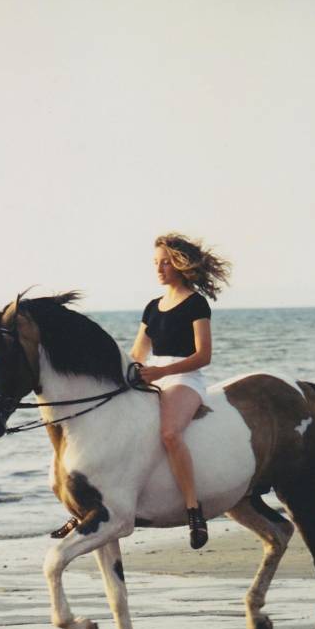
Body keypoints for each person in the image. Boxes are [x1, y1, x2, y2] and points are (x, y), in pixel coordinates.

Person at [131, 233, 231, 549]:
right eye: (155, 263)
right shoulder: (152, 307)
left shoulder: (195, 303)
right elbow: (137, 353)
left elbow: (204, 355)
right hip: (154, 377)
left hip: (185, 378)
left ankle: (193, 508)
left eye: (165, 262)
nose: (159, 269)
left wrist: (163, 371)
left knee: (171, 434)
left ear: (179, 265)